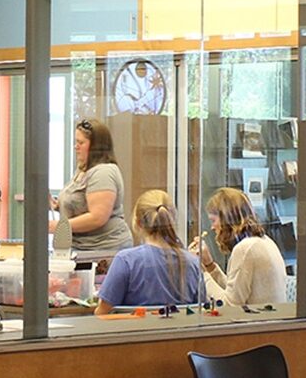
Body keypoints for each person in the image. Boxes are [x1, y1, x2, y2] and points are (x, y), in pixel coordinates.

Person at [97, 198, 206, 310]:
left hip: (136, 327)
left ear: (138, 223)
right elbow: (200, 311)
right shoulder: (193, 262)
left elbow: (103, 312)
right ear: (172, 220)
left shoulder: (125, 261)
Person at [198, 187, 288, 309]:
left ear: (226, 219)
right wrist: (210, 266)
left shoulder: (245, 249)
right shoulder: (263, 241)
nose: (212, 227)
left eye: (213, 221)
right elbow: (235, 291)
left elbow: (229, 306)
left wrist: (200, 273)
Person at [56, 119, 132, 252]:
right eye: (76, 142)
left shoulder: (103, 173)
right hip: (82, 247)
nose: (76, 147)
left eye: (81, 143)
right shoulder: (83, 170)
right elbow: (80, 204)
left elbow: (97, 217)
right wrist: (57, 205)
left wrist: (58, 226)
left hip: (103, 248)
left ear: (95, 146)